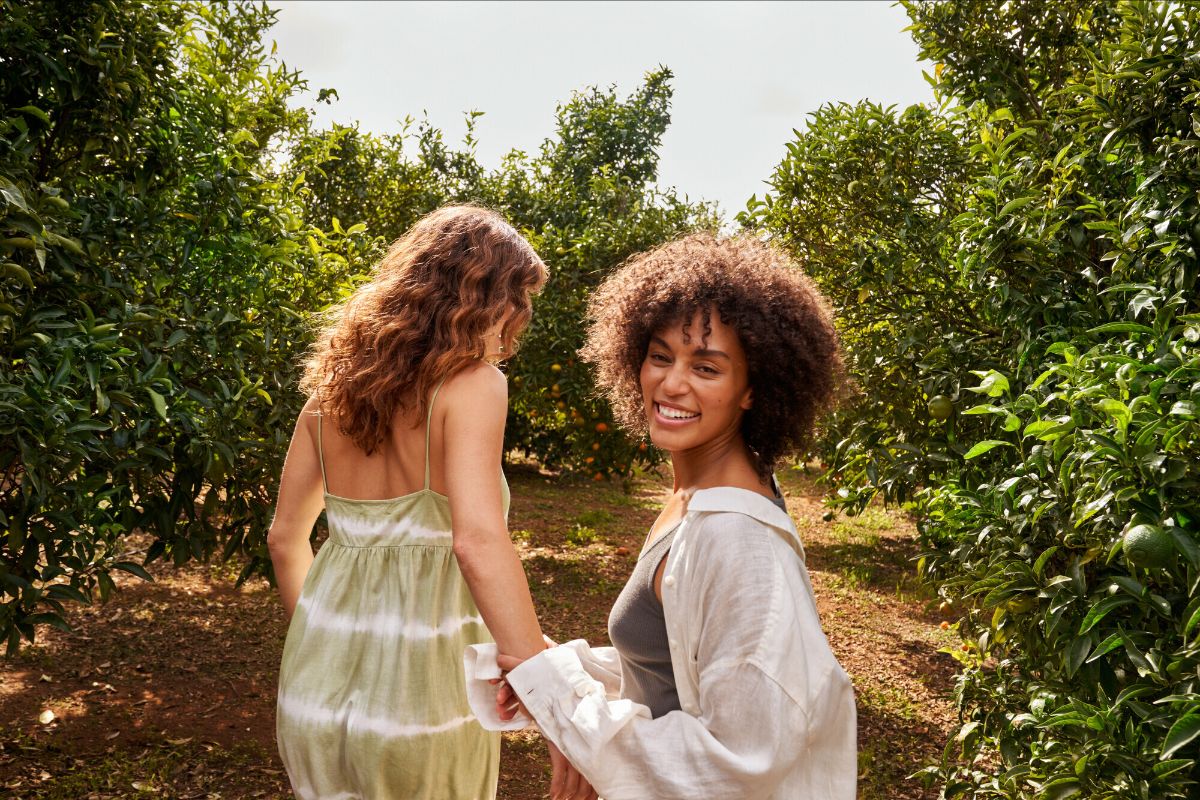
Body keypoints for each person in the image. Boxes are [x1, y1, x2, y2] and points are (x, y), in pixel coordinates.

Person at [467, 232, 857, 799]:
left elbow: (739, 761)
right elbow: (674, 672)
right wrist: (554, 672)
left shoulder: (737, 540)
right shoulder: (693, 497)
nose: (671, 383)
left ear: (754, 388)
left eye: (707, 367)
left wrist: (570, 709)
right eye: (659, 356)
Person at [268, 205, 567, 799]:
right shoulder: (474, 385)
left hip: (312, 690)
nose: (521, 318)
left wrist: (330, 639)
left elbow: (284, 539)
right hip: (422, 704)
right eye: (518, 298)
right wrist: (549, 687)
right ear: (480, 298)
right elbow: (478, 540)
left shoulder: (329, 398)